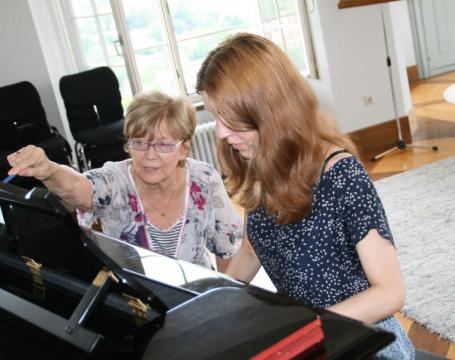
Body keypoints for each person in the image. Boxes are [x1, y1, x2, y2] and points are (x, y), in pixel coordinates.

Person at [196, 33, 415, 359]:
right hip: (307, 340)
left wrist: (306, 332)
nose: (221, 133)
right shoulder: (261, 163)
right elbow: (250, 250)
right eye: (216, 117)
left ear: (267, 109)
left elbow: (390, 293)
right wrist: (210, 304)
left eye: (228, 118)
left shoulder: (341, 176)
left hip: (361, 342)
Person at [6, 91, 242, 271]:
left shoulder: (204, 179)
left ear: (183, 149)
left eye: (162, 144)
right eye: (138, 142)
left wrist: (226, 306)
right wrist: (48, 170)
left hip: (199, 298)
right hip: (139, 303)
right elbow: (79, 188)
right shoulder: (116, 180)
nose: (149, 155)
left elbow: (226, 249)